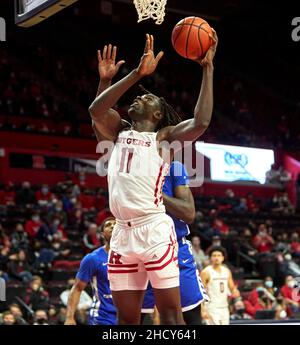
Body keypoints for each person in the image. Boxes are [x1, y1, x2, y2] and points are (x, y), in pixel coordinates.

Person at [89, 31, 217, 325]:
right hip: (122, 232)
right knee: (127, 320)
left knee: (172, 317)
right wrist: (126, 75)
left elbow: (202, 121)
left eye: (145, 97)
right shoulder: (119, 130)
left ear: (158, 113)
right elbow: (96, 110)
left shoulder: (164, 137)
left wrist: (207, 68)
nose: (137, 97)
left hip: (154, 230)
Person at [141, 161, 209, 325]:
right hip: (140, 247)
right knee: (135, 317)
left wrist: (156, 193)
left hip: (175, 247)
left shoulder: (174, 167)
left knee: (191, 316)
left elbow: (188, 213)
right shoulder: (130, 169)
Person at [64, 218, 117, 325]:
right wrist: (69, 317)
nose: (112, 226)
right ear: (102, 234)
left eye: (116, 224)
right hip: (102, 316)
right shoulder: (93, 258)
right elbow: (77, 288)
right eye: (108, 225)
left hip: (128, 315)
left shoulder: (132, 257)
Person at [201, 246, 240, 325]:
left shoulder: (227, 271)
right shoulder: (206, 272)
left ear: (223, 258)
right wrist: (202, 309)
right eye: (214, 255)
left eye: (219, 255)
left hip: (224, 307)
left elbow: (232, 287)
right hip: (211, 307)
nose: (216, 258)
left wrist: (235, 291)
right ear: (210, 258)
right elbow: (200, 292)